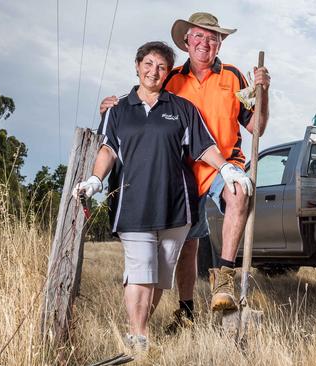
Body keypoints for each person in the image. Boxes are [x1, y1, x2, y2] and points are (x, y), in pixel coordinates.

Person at [99, 12, 270, 331]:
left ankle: (224, 278)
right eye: (199, 36)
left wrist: (264, 93)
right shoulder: (172, 77)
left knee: (239, 194)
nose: (205, 42)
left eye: (213, 37)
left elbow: (256, 126)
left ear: (219, 44)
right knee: (189, 244)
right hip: (183, 170)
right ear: (187, 42)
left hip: (224, 165)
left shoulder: (234, 77)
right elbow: (143, 99)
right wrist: (114, 106)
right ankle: (187, 310)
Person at [78, 41, 252, 353]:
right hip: (134, 204)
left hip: (176, 206)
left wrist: (227, 168)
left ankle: (140, 333)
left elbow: (203, 146)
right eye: (148, 64)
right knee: (141, 268)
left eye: (161, 67)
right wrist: (95, 178)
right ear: (137, 65)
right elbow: (107, 149)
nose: (153, 71)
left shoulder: (182, 109)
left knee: (159, 275)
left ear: (167, 72)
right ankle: (138, 338)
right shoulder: (117, 111)